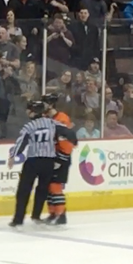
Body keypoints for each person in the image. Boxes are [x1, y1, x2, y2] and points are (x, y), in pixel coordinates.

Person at [9, 99, 78, 228]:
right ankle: (36, 215)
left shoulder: (29, 126)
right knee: (42, 189)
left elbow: (21, 142)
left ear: (32, 112)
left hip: (33, 161)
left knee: (24, 190)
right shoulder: (52, 123)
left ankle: (18, 219)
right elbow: (69, 132)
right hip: (48, 161)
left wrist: (13, 155)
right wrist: (74, 141)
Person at [42, 92, 76, 225]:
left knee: (55, 186)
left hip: (61, 157)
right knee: (48, 186)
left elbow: (66, 143)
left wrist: (60, 160)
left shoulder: (62, 119)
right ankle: (53, 213)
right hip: (49, 157)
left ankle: (61, 214)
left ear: (51, 104)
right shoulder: (45, 118)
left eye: (44, 103)